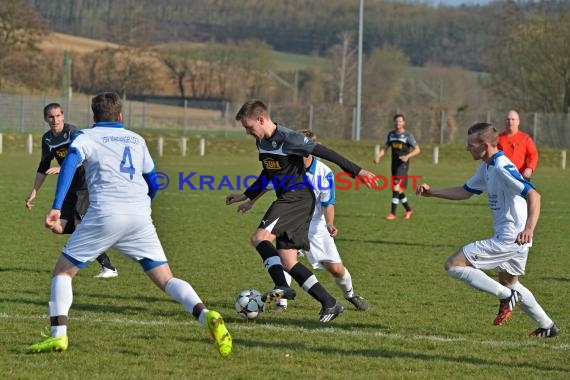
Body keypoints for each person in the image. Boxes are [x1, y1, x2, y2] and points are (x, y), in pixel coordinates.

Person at [27, 92, 232, 356]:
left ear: (94, 117)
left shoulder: (85, 137)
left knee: (63, 273)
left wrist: (56, 206)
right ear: (120, 116)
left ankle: (58, 336)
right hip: (139, 216)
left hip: (105, 214)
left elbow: (69, 165)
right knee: (166, 278)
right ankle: (205, 313)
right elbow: (154, 183)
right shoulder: (137, 139)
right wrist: (142, 205)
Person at [226, 99, 376, 323]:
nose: (248, 132)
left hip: (295, 198)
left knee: (259, 238)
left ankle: (280, 286)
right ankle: (329, 303)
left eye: (249, 127)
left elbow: (326, 152)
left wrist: (357, 171)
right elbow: (267, 173)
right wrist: (247, 195)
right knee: (287, 261)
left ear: (261, 119)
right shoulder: (262, 143)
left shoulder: (289, 138)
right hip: (290, 199)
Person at [416, 122, 560, 338]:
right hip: (517, 238)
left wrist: (529, 228)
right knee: (510, 281)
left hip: (512, 237)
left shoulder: (501, 167)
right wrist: (432, 192)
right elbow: (465, 191)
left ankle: (505, 297)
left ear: (484, 145)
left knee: (453, 264)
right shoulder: (487, 166)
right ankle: (547, 326)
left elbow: (534, 195)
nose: (467, 149)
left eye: (471, 145)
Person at [25, 103, 118, 278]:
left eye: (58, 116)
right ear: (46, 119)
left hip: (84, 183)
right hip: (68, 186)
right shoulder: (47, 139)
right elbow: (43, 166)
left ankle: (109, 267)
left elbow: (82, 158)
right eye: (51, 117)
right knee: (58, 227)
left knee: (79, 225)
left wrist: (62, 168)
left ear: (63, 116)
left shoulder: (73, 133)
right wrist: (34, 192)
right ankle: (94, 233)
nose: (55, 120)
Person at [373, 113, 420, 220]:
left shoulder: (408, 135)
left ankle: (392, 214)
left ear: (404, 123)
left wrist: (407, 156)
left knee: (395, 188)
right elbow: (385, 148)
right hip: (394, 165)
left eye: (400, 121)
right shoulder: (391, 134)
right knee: (398, 189)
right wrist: (378, 156)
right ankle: (408, 210)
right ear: (394, 122)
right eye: (396, 121)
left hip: (403, 166)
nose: (398, 123)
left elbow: (417, 149)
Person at [498, 110, 538, 181]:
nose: (510, 122)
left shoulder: (525, 138)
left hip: (520, 177)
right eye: (508, 119)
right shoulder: (498, 138)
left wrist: (530, 168)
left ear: (518, 121)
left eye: (513, 119)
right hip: (501, 177)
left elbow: (533, 155)